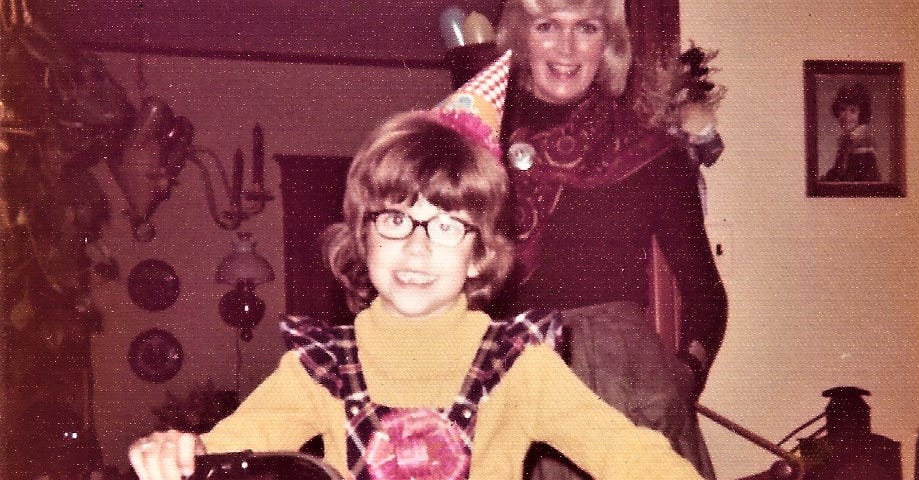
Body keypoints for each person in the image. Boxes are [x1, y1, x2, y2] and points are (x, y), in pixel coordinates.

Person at [127, 56, 705, 480]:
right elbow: (223, 456)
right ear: (362, 235)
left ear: (481, 252)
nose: (418, 248)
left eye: (449, 226)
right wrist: (176, 453)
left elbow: (636, 459)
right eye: (396, 220)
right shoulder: (320, 368)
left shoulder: (520, 368)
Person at [482, 0, 728, 479]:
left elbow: (706, 295)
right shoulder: (476, 148)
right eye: (547, 26)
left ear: (608, 44)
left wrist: (683, 380)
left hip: (627, 397)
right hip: (511, 389)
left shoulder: (653, 154)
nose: (568, 48)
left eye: (587, 27)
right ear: (519, 37)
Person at [820, 82, 881, 182]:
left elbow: (857, 180)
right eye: (843, 109)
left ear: (861, 115)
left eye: (853, 111)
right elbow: (837, 171)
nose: (846, 116)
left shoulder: (864, 143)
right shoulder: (847, 141)